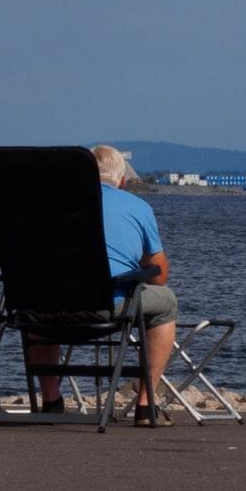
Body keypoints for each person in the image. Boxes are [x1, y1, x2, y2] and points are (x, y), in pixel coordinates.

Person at [26, 144, 179, 419]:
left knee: (38, 300)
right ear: (122, 181)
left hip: (47, 306)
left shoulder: (52, 206)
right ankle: (146, 405)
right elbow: (159, 274)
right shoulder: (137, 207)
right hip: (105, 304)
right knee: (165, 301)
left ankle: (51, 400)